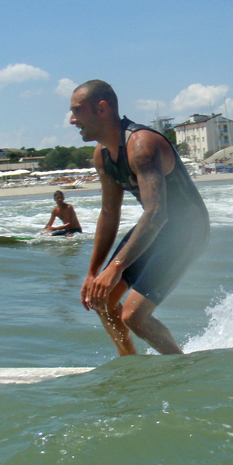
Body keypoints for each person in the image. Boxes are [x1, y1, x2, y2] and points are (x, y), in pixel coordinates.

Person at [71, 80, 210, 356]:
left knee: (134, 316)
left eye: (77, 110)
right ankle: (130, 366)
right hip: (155, 229)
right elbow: (109, 213)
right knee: (103, 300)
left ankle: (182, 368)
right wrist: (93, 272)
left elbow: (156, 212)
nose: (72, 120)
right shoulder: (102, 155)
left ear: (102, 108)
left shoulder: (142, 145)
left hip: (187, 231)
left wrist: (116, 267)